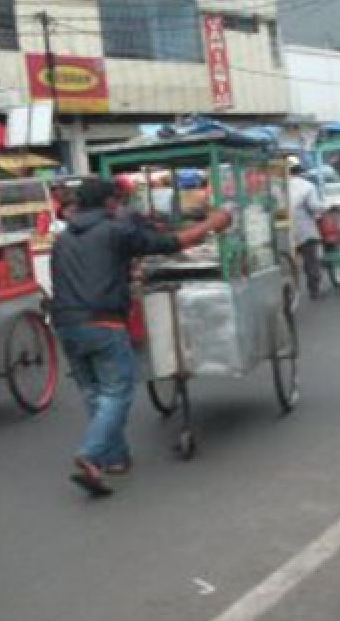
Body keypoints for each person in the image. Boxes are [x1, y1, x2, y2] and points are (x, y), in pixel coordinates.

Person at [50, 179, 232, 498]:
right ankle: (90, 454)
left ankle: (115, 458)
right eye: (117, 201)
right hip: (103, 322)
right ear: (109, 203)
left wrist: (122, 273)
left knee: (94, 392)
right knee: (116, 391)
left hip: (66, 324)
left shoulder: (63, 239)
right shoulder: (115, 230)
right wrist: (212, 224)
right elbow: (170, 243)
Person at [288, 161, 328, 300]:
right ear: (301, 171)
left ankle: (290, 292)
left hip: (285, 230)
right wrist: (327, 206)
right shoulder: (308, 186)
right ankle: (314, 290)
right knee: (310, 260)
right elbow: (314, 206)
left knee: (288, 262)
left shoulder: (278, 185)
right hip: (304, 229)